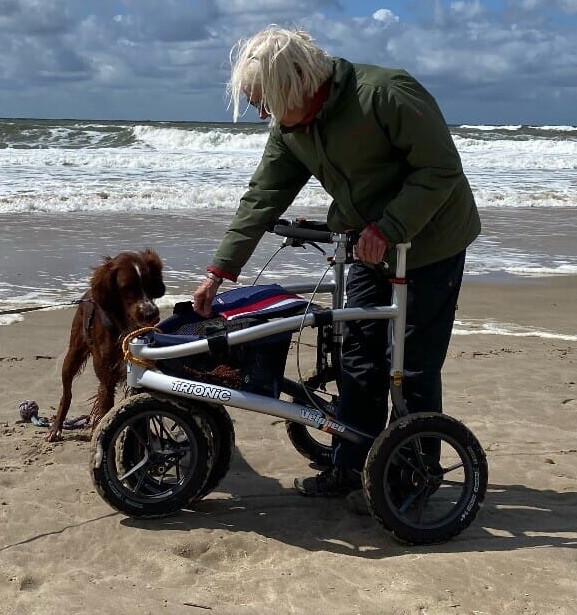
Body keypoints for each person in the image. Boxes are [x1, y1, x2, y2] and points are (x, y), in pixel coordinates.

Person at [193, 26, 480, 498]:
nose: (265, 113)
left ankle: (414, 478)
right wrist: (220, 271)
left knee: (410, 366)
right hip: (366, 243)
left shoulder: (384, 94)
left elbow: (441, 169)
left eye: (268, 101)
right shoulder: (290, 128)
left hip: (431, 243)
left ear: (299, 83)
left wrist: (389, 227)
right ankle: (351, 468)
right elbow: (264, 194)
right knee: (358, 356)